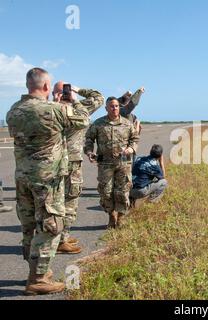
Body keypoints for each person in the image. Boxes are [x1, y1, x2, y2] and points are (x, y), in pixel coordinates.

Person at [6, 68, 89, 295]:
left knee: (29, 225)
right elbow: (83, 120)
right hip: (47, 180)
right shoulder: (53, 110)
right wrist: (72, 101)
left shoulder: (13, 111)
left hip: (23, 177)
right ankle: (38, 278)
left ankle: (36, 269)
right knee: (51, 226)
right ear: (45, 87)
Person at [52, 82, 105, 255]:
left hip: (55, 163)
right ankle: (60, 240)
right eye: (64, 90)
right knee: (67, 201)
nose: (65, 93)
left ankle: (62, 237)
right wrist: (77, 91)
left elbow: (100, 98)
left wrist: (57, 100)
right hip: (67, 162)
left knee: (61, 201)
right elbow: (98, 97)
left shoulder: (48, 108)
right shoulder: (79, 107)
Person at [84, 97, 139, 229]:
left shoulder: (127, 123)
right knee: (106, 192)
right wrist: (90, 152)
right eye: (111, 106)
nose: (114, 108)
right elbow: (89, 139)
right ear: (106, 108)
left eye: (116, 106)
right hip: (105, 164)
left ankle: (120, 218)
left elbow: (135, 138)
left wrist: (131, 148)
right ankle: (111, 216)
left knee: (122, 191)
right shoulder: (98, 123)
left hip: (123, 163)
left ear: (119, 107)